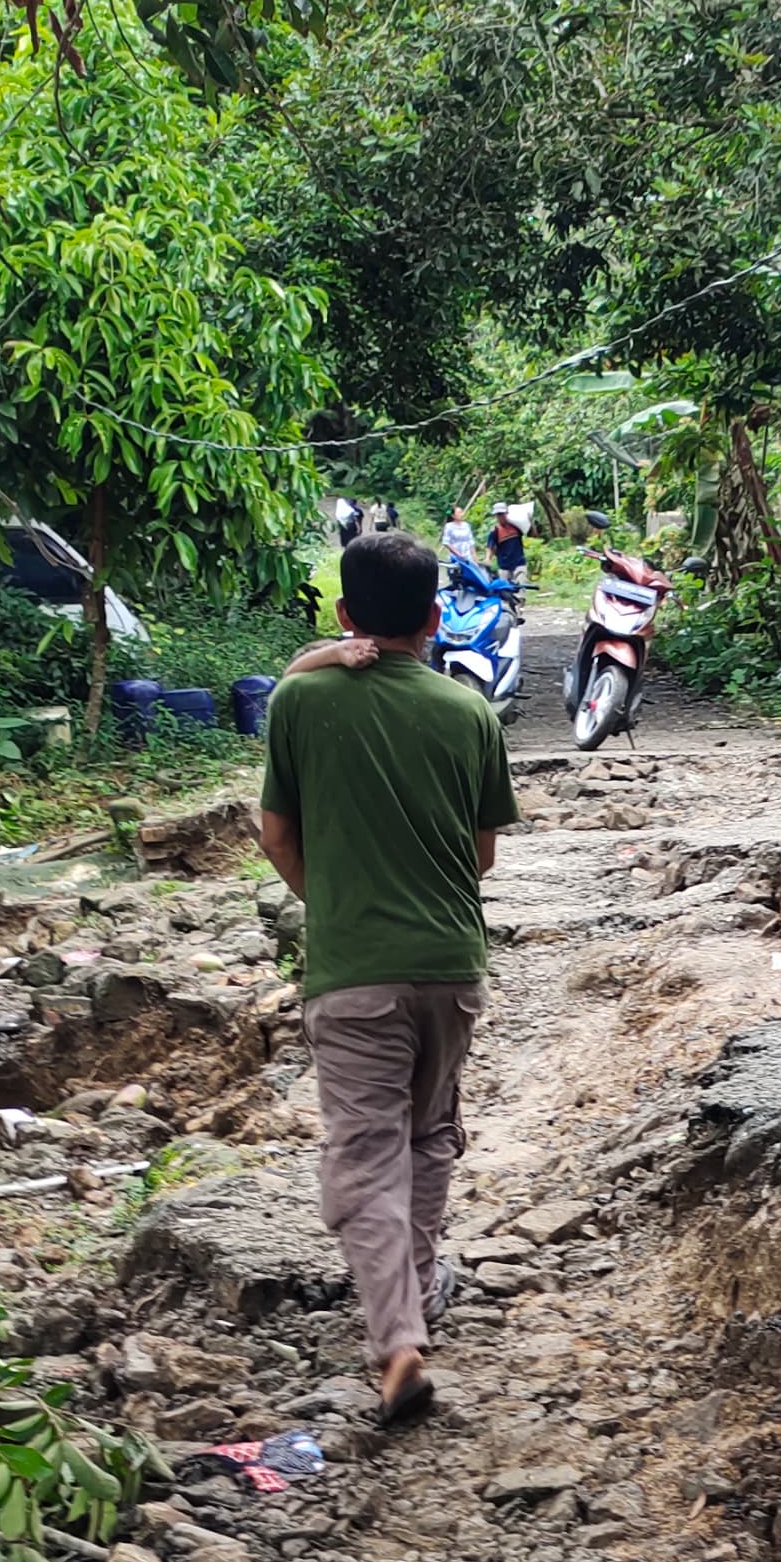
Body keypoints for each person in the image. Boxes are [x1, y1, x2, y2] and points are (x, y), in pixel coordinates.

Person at [258, 530, 520, 1427]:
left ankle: (398, 1339)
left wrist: (331, 901)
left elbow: (277, 837)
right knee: (428, 1135)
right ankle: (414, 1288)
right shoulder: (469, 712)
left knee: (365, 1150)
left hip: (351, 972)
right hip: (450, 964)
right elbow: (480, 854)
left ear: (343, 616)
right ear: (436, 616)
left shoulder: (299, 701)